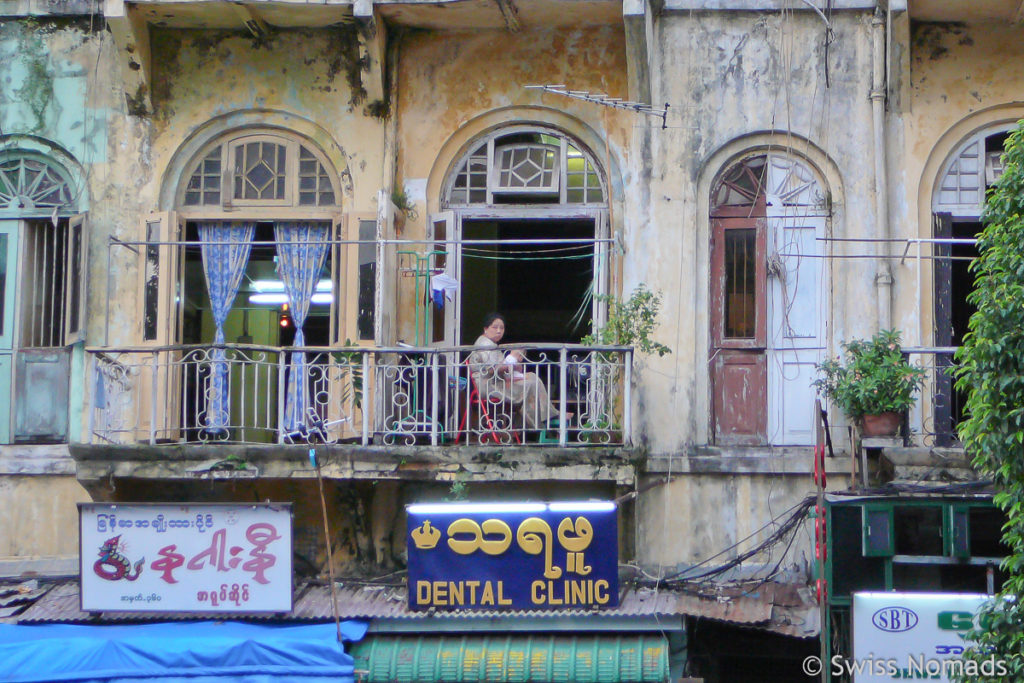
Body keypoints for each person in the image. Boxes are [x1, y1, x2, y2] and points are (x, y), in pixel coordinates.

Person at [467, 313, 572, 430]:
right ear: (485, 329)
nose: (498, 331)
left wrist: (515, 365)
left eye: (501, 328)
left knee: (532, 377)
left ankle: (547, 415)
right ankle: (542, 421)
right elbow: (492, 370)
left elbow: (502, 370)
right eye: (495, 327)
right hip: (489, 386)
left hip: (499, 381)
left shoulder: (492, 345)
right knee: (530, 384)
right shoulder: (484, 344)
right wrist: (510, 361)